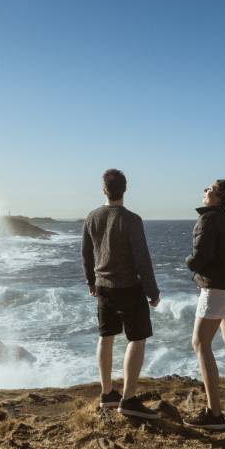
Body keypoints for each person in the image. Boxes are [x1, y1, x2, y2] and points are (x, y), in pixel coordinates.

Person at [82, 169, 161, 419]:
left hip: (103, 286)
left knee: (106, 336)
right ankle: (128, 399)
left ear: (104, 189)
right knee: (136, 339)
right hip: (129, 287)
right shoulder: (132, 220)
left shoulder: (91, 217)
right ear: (125, 189)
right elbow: (142, 260)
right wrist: (152, 291)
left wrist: (91, 281)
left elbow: (86, 253)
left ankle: (107, 394)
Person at [182, 179, 225, 430]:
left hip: (218, 286)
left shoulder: (208, 219)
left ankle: (214, 413)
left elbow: (201, 256)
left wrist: (189, 263)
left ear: (219, 197)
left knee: (200, 342)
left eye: (209, 188)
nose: (204, 190)